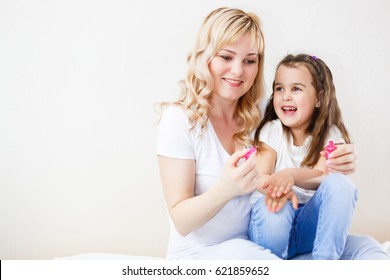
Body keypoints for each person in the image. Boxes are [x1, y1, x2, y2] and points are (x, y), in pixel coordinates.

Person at [156, 7, 388, 260]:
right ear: (205, 57)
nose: (237, 71)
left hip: (267, 242)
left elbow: (317, 133)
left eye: (249, 60)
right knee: (254, 256)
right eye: (226, 57)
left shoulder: (265, 113)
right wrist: (226, 188)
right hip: (204, 254)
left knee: (368, 250)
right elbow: (181, 221)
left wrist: (344, 158)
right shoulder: (180, 120)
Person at [248, 54, 359, 259]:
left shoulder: (331, 134)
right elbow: (259, 175)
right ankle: (274, 265)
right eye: (279, 88)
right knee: (276, 208)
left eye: (296, 89)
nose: (285, 96)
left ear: (318, 98)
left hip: (309, 226)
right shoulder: (272, 130)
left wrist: (293, 175)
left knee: (342, 184)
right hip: (273, 223)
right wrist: (277, 189)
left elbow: (323, 175)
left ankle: (324, 265)